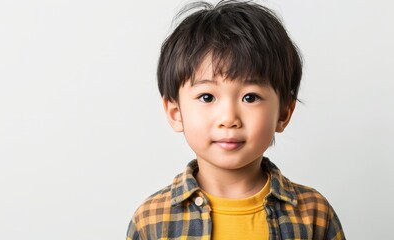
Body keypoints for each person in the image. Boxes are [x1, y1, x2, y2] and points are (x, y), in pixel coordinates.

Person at [126, 0, 345, 239]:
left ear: (284, 113)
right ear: (175, 112)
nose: (229, 118)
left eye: (250, 97)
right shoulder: (152, 220)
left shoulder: (314, 214)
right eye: (207, 97)